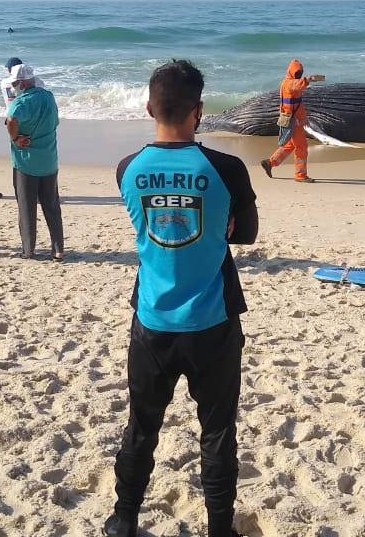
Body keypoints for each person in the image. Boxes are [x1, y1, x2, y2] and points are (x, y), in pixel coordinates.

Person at [105, 59, 258, 537]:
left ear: (149, 106)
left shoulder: (128, 169)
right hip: (212, 322)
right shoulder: (226, 168)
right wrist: (222, 223)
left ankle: (124, 519)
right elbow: (247, 234)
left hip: (152, 321)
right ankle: (219, 528)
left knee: (141, 428)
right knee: (217, 433)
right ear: (200, 110)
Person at [4, 63, 63, 260]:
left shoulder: (20, 103)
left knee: (27, 207)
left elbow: (11, 120)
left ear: (19, 82)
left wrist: (15, 138)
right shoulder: (49, 96)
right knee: (52, 206)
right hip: (49, 160)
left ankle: (28, 250)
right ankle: (58, 249)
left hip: (26, 162)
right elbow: (56, 121)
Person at [259, 58, 324, 183]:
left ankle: (269, 163)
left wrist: (304, 117)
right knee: (301, 146)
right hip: (292, 120)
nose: (298, 74)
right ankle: (300, 175)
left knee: (290, 144)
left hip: (292, 119)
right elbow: (297, 85)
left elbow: (298, 104)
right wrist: (308, 79)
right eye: (297, 73)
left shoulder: (291, 82)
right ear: (291, 72)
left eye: (300, 72)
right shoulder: (289, 83)